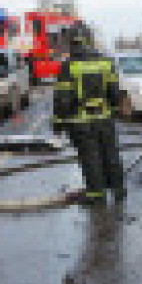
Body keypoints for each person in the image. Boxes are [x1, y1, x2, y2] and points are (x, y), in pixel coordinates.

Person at [53, 22, 125, 205]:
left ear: (73, 42)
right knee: (111, 154)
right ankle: (118, 190)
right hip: (105, 119)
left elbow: (63, 99)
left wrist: (58, 122)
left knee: (90, 157)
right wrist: (113, 111)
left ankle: (96, 195)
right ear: (89, 40)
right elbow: (115, 93)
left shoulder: (68, 66)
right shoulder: (106, 63)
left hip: (81, 121)